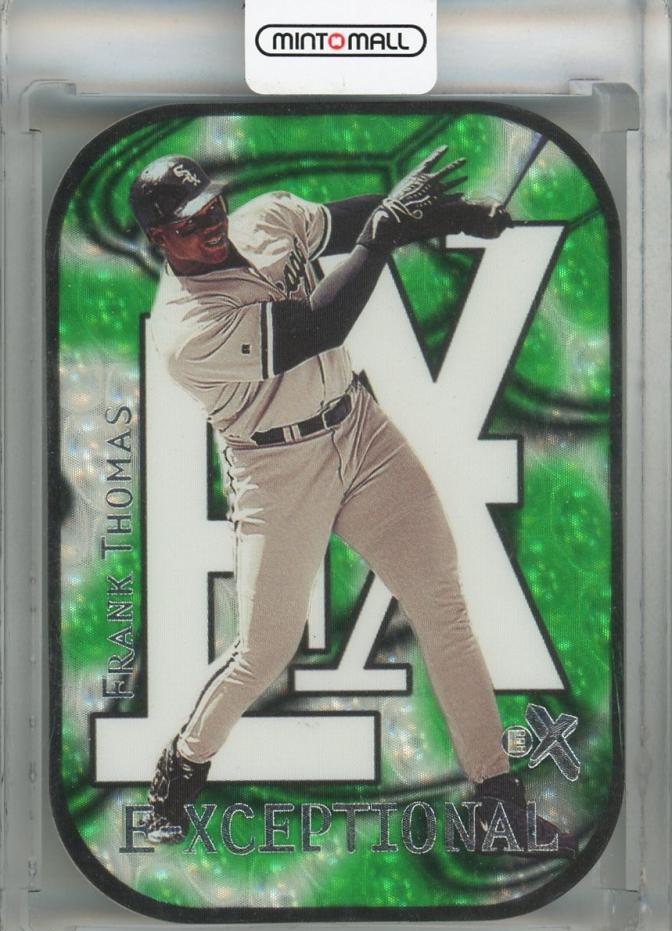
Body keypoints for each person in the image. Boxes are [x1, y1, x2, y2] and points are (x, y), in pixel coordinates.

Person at [129, 149, 575, 856]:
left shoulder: (265, 218)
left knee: (441, 601)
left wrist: (457, 217)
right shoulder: (186, 330)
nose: (210, 224)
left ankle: (498, 802)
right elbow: (318, 326)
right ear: (160, 238)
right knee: (263, 651)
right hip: (276, 471)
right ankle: (183, 763)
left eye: (211, 207)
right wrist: (384, 237)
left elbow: (359, 220)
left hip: (360, 432)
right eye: (188, 222)